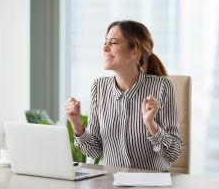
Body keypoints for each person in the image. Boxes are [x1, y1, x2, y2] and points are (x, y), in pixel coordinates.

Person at [63, 20, 182, 171]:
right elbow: (94, 150)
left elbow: (173, 153)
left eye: (113, 42)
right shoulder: (99, 88)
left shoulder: (162, 87)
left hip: (150, 182)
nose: (105, 48)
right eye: (105, 42)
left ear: (134, 51)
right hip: (110, 181)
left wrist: (151, 124)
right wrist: (76, 123)